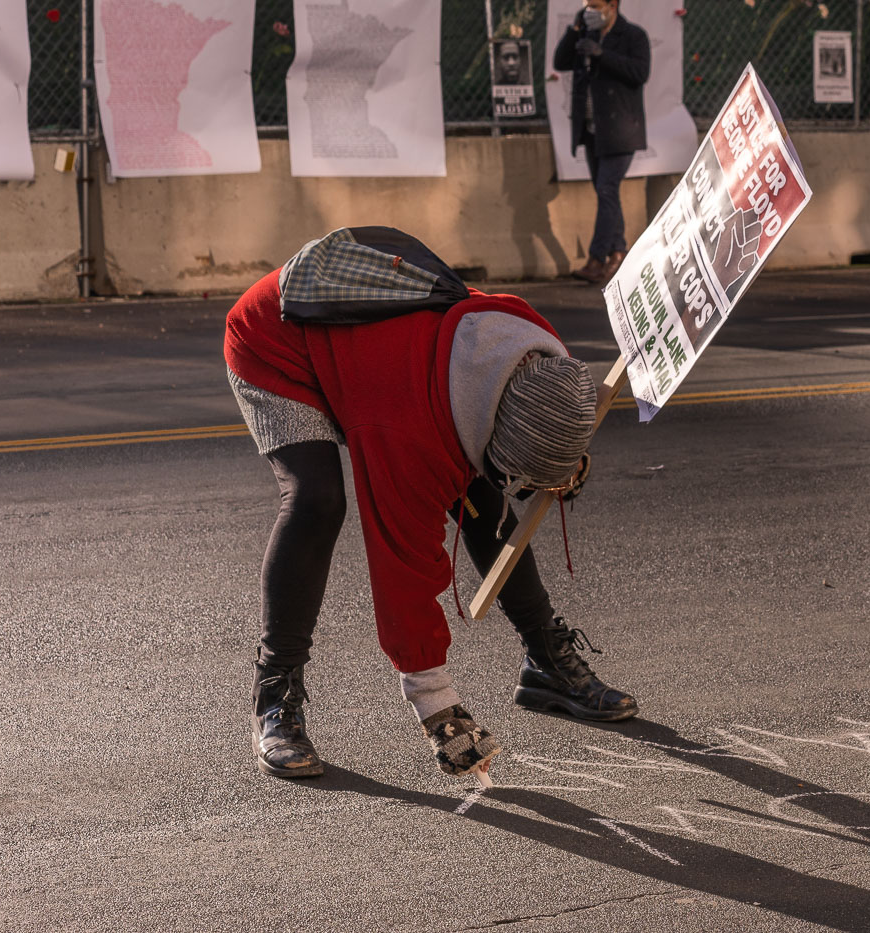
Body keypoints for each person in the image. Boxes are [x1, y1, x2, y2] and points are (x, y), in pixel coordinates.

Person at [224, 226, 638, 781]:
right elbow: (404, 571)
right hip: (279, 341)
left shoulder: (530, 345)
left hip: (381, 355)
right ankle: (275, 696)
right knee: (316, 501)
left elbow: (540, 433)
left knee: (482, 496)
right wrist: (437, 706)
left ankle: (546, 663)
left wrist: (562, 464)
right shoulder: (407, 437)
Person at [553, 0, 650, 285]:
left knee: (607, 188)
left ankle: (597, 259)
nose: (590, 10)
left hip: (621, 130)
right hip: (593, 130)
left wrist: (602, 55)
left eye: (595, 5)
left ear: (612, 5)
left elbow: (640, 73)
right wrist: (575, 30)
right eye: (586, 5)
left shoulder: (633, 35)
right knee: (605, 191)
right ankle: (619, 251)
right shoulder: (587, 34)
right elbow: (559, 62)